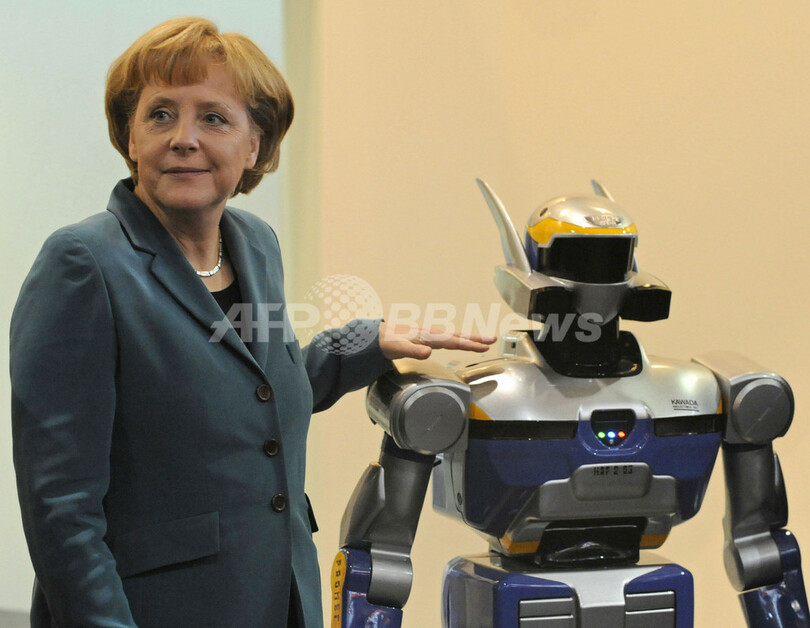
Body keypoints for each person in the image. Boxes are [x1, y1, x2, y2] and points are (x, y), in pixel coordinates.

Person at [10, 17, 494, 628]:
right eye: (160, 115)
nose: (183, 138)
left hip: (279, 598)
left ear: (255, 147)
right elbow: (61, 510)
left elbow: (249, 397)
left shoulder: (254, 244)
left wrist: (365, 344)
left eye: (213, 118)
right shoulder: (83, 264)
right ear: (130, 138)